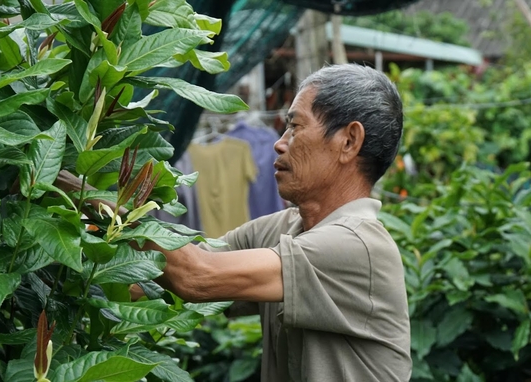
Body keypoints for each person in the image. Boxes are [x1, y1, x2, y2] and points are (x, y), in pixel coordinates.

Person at [58, 64, 411, 381]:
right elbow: (155, 275)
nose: (279, 144)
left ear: (348, 141)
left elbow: (196, 275)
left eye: (295, 127)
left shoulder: (356, 245)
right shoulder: (283, 229)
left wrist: (73, 189)